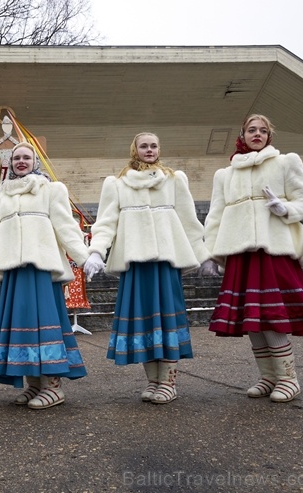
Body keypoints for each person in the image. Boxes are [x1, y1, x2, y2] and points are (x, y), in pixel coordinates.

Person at [204, 114, 303, 403]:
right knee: (252, 318)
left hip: (273, 251)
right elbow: (215, 216)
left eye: (262, 131)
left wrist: (284, 208)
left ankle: (289, 379)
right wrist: (209, 253)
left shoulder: (285, 162)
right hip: (240, 253)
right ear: (242, 135)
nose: (257, 134)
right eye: (251, 130)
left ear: (269, 136)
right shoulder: (225, 174)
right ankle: (269, 376)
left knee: (272, 316)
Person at [84, 132, 212, 404]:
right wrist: (97, 251)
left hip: (166, 260)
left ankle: (168, 382)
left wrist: (204, 254)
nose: (149, 150)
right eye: (144, 146)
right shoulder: (117, 183)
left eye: (154, 145)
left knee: (166, 318)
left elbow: (189, 220)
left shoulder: (175, 179)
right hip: (135, 263)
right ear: (135, 150)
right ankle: (153, 381)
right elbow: (106, 222)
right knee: (144, 321)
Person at [0, 142, 89, 410]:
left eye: (27, 157)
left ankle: (53, 386)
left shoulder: (51, 190)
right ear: (10, 163)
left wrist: (85, 257)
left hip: (41, 270)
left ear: (35, 162)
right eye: (17, 158)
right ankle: (33, 384)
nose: (21, 161)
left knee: (44, 322)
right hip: (13, 272)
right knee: (22, 325)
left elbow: (65, 226)